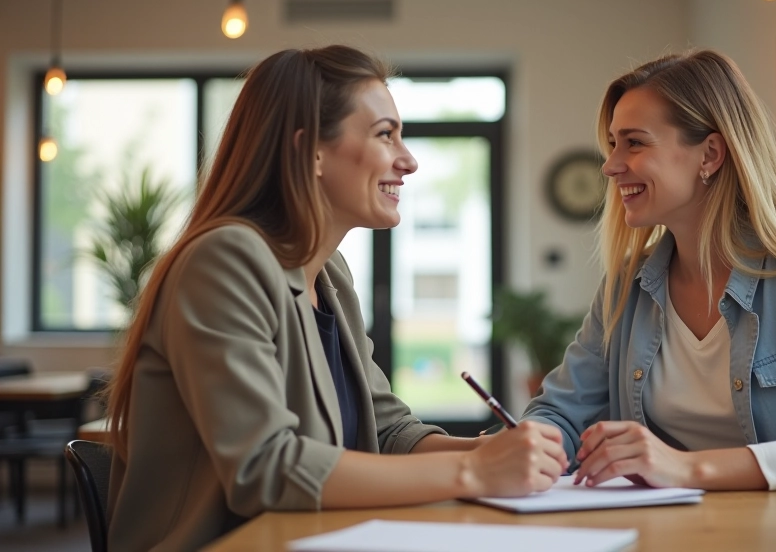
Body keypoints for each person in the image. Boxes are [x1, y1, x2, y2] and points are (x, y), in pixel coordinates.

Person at [105, 45, 567, 550]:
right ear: (310, 152)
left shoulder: (329, 274)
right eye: (385, 134)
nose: (408, 160)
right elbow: (266, 467)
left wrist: (491, 450)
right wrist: (473, 471)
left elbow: (388, 432)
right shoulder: (224, 259)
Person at [522, 50, 776, 492]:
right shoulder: (626, 286)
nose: (611, 164)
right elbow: (559, 412)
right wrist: (529, 445)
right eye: (613, 144)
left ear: (710, 153)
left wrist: (685, 469)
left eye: (634, 142)